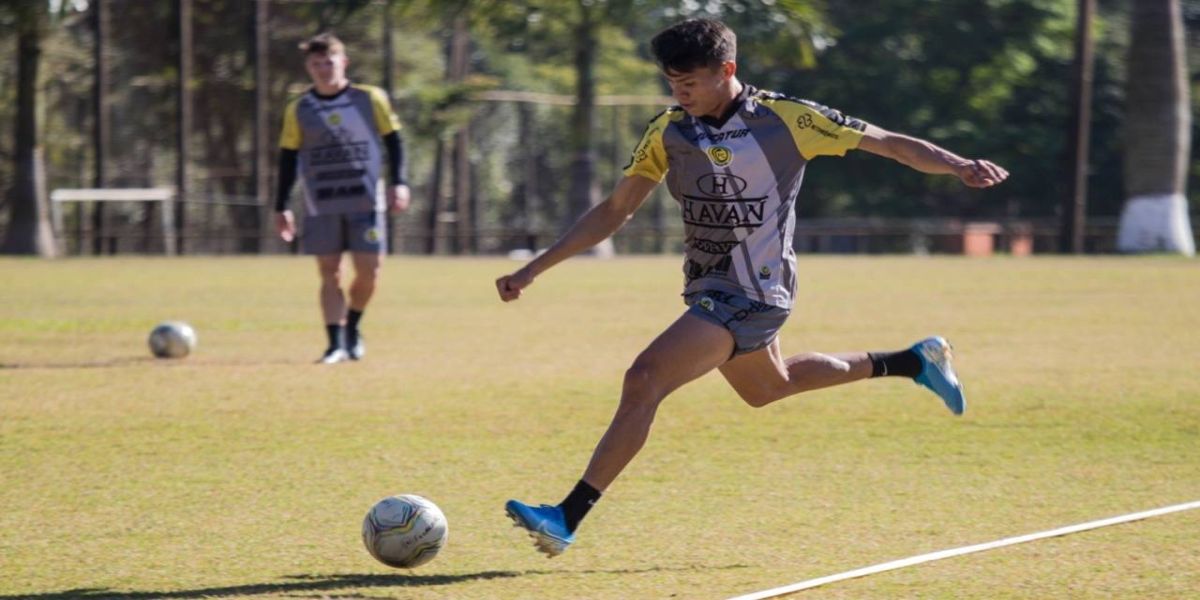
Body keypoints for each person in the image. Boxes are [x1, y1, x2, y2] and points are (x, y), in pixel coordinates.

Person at [495, 18, 1009, 557]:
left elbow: (889, 144)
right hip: (710, 286)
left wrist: (958, 166)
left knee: (644, 377)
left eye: (689, 82)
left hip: (756, 289)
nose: (679, 92)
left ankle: (566, 516)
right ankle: (914, 361)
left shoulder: (789, 119)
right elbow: (616, 210)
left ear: (727, 70)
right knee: (770, 387)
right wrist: (537, 267)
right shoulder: (670, 130)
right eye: (672, 82)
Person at [275, 33, 411, 364]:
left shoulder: (370, 99)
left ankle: (352, 325)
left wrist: (400, 183)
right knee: (329, 272)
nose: (323, 69)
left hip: (365, 199)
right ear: (308, 67)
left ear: (343, 62)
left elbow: (394, 141)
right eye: (316, 64)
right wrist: (281, 205)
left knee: (370, 272)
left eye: (329, 62)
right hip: (321, 203)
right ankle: (335, 344)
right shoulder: (300, 109)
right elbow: (288, 158)